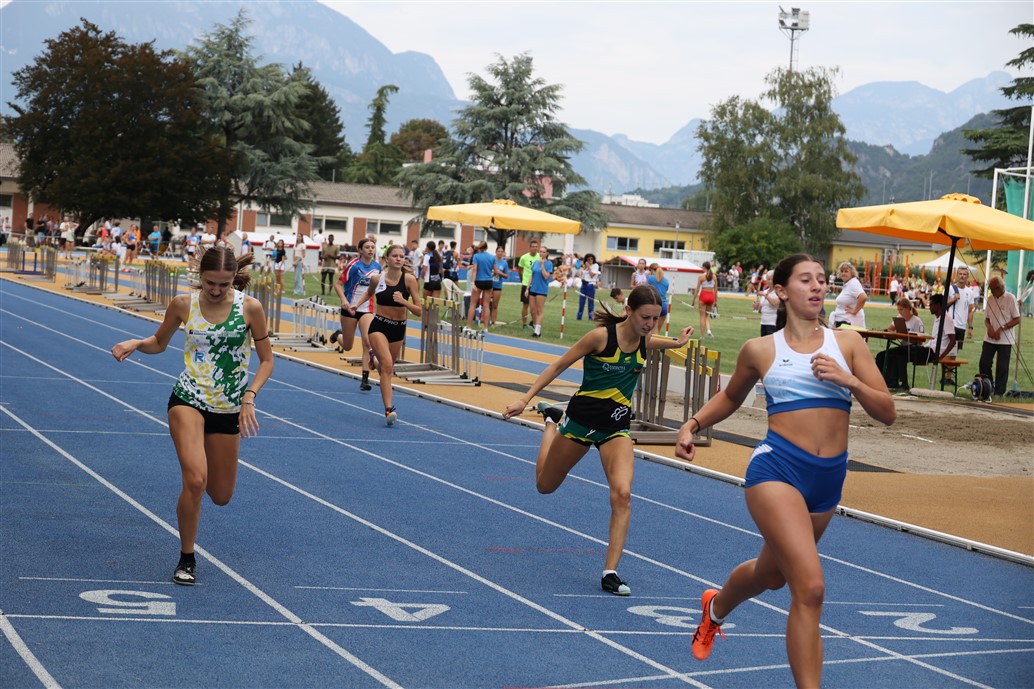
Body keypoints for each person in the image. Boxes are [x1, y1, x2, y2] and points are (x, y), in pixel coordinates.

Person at [675, 253, 895, 688]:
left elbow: (887, 412)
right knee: (810, 588)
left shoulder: (848, 344)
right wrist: (693, 424)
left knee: (771, 575)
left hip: (827, 481)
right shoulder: (760, 350)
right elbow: (731, 397)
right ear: (781, 291)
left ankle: (715, 608)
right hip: (777, 471)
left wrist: (849, 381)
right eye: (805, 280)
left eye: (822, 280)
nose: (817, 287)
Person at [503, 285, 694, 596]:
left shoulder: (646, 340)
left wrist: (679, 342)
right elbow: (558, 365)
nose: (650, 324)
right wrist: (525, 399)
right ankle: (551, 423)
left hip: (616, 429)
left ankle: (610, 572)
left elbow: (658, 342)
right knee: (544, 486)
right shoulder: (600, 337)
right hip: (580, 424)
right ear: (628, 311)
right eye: (645, 317)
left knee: (623, 494)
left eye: (656, 319)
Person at [110, 246, 274, 586]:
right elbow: (159, 342)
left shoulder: (250, 308)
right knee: (196, 480)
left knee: (221, 495)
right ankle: (187, 557)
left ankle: (191, 532)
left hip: (228, 407)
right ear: (200, 276)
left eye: (224, 284)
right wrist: (138, 343)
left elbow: (267, 360)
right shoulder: (184, 304)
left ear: (233, 280)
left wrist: (250, 396)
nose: (216, 290)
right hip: (188, 398)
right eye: (210, 283)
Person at [348, 244, 421, 425]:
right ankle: (389, 410)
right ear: (387, 258)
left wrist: (404, 301)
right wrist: (357, 304)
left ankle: (374, 360)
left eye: (401, 256)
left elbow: (419, 311)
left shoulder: (409, 280)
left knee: (385, 368)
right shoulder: (377, 278)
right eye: (395, 256)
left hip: (398, 328)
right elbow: (369, 293)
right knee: (387, 366)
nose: (398, 259)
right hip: (379, 325)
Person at [335, 237, 381, 391]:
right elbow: (338, 284)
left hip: (366, 309)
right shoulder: (354, 266)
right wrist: (344, 300)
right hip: (349, 309)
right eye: (367, 247)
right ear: (360, 250)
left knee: (367, 342)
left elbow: (376, 289)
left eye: (372, 247)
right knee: (347, 346)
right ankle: (338, 336)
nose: (370, 249)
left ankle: (365, 379)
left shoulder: (377, 267)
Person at [979, 276, 1021, 397]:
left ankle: (999, 392)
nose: (991, 291)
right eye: (990, 289)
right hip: (989, 338)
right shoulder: (990, 299)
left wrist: (1001, 328)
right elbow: (986, 319)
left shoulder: (1010, 298)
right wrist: (989, 328)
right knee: (984, 362)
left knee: (1002, 367)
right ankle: (987, 387)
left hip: (1005, 340)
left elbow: (1017, 319)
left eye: (992, 289)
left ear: (1000, 287)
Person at [875, 298, 926, 389]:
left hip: (914, 349)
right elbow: (890, 329)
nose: (900, 312)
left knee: (898, 355)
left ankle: (902, 383)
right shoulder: (899, 318)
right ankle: (882, 380)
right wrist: (889, 331)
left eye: (901, 309)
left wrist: (905, 336)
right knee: (881, 355)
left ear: (908, 308)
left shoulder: (917, 321)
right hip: (903, 347)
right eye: (898, 310)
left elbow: (920, 341)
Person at [466, 241, 495, 331]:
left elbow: (475, 269)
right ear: (487, 248)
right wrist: (491, 275)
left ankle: (468, 326)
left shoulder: (476, 256)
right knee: (486, 305)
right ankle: (486, 327)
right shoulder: (491, 257)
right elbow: (495, 270)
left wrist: (472, 282)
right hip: (488, 281)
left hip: (479, 280)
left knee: (473, 304)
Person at [946, 267, 975, 354]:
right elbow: (942, 305)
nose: (962, 276)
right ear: (957, 275)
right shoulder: (950, 289)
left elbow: (970, 311)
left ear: (967, 276)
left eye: (964, 274)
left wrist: (970, 327)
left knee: (955, 353)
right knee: (946, 350)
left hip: (962, 326)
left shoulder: (970, 292)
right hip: (951, 324)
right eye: (960, 274)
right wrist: (953, 299)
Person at [528, 244, 553, 338]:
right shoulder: (535, 262)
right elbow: (532, 275)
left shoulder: (549, 264)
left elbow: (546, 276)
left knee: (539, 311)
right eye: (540, 252)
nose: (541, 253)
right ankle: (535, 327)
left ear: (547, 253)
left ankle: (537, 332)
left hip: (541, 290)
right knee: (532, 311)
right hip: (533, 288)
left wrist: (542, 265)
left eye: (543, 252)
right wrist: (527, 288)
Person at [832, 262, 866, 328]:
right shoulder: (848, 284)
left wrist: (854, 311)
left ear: (852, 273)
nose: (843, 273)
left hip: (849, 322)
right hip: (844, 321)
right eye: (842, 271)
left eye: (846, 271)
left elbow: (863, 297)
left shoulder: (853, 283)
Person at [517, 238, 541, 328]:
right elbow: (520, 269)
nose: (535, 248)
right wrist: (522, 279)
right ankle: (524, 324)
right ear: (530, 247)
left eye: (536, 247)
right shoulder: (524, 257)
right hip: (526, 283)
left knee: (536, 306)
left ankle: (534, 323)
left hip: (536, 284)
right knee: (525, 304)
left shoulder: (540, 257)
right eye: (533, 247)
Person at [692, 260, 718, 338]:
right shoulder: (714, 276)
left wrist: (693, 300)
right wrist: (716, 301)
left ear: (704, 267)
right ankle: (708, 330)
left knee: (702, 316)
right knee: (706, 316)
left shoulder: (701, 276)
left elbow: (697, 289)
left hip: (704, 295)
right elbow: (716, 290)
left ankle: (702, 336)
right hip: (711, 296)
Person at [646, 263, 670, 334]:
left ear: (651, 270)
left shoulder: (650, 278)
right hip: (664, 305)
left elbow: (646, 289)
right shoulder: (666, 280)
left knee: (653, 330)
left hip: (655, 304)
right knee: (658, 330)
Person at [576, 253, 601, 320]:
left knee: (590, 302)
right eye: (588, 259)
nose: (590, 260)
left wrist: (589, 267)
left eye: (591, 259)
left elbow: (591, 275)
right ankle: (579, 317)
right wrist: (584, 268)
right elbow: (582, 275)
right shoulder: (585, 266)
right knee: (581, 301)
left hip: (590, 284)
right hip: (584, 284)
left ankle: (590, 317)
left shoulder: (595, 266)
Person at [756, 269, 780, 337]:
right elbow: (761, 310)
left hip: (773, 323)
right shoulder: (765, 291)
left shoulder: (779, 292)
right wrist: (757, 307)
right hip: (763, 322)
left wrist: (765, 295)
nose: (770, 281)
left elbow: (775, 303)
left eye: (771, 279)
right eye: (768, 279)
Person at [490, 245, 510, 325]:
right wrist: (493, 273)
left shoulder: (504, 263)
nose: (500, 253)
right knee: (486, 304)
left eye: (502, 252)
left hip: (498, 286)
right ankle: (483, 321)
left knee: (495, 305)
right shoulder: (491, 260)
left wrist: (500, 273)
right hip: (489, 285)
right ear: (496, 252)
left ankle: (493, 322)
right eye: (499, 251)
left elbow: (506, 276)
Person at [291, 231, 307, 297]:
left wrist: (297, 261)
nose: (298, 237)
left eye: (299, 236)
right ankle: (296, 290)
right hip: (295, 261)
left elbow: (303, 255)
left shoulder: (303, 245)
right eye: (297, 236)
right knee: (296, 277)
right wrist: (293, 261)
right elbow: (294, 253)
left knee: (298, 277)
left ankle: (300, 291)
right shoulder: (295, 245)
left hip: (299, 261)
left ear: (302, 237)